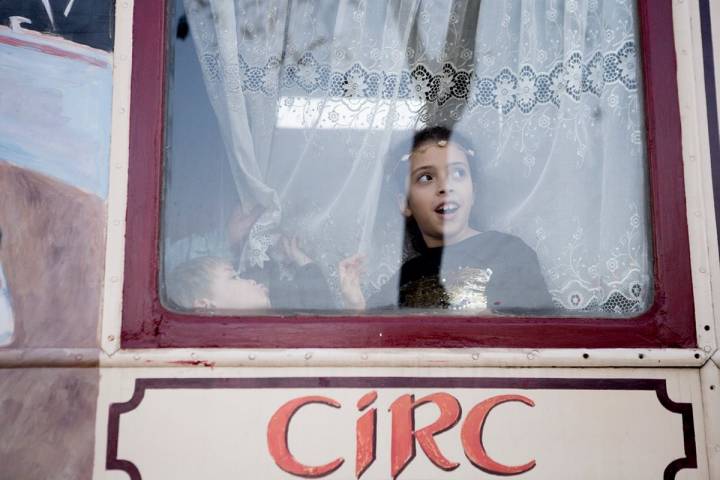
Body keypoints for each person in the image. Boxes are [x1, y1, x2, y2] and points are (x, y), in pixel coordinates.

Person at [339, 126, 553, 313]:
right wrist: (357, 308)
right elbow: (380, 343)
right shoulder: (406, 276)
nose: (445, 187)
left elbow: (539, 338)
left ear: (473, 192)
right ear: (404, 203)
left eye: (458, 173)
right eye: (426, 178)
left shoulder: (506, 252)